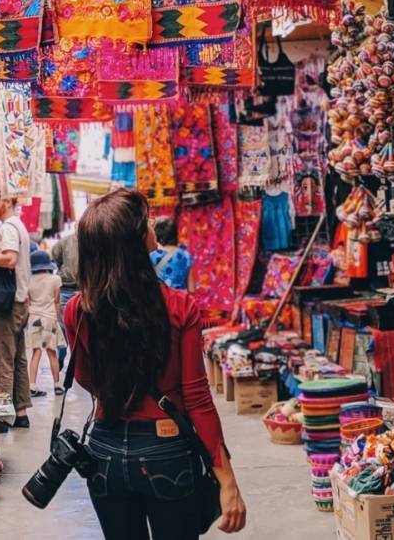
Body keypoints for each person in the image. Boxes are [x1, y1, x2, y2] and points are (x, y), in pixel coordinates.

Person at [64, 189, 246, 539]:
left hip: (104, 451)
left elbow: (86, 378)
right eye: (144, 219)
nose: (152, 223)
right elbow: (197, 399)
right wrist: (227, 481)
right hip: (166, 451)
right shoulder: (179, 306)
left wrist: (122, 390)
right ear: (132, 243)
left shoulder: (78, 309)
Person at [0, 196, 33, 428]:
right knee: (18, 357)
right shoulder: (18, 226)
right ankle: (20, 411)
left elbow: (9, 259)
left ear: (8, 202)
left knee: (1, 358)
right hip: (19, 302)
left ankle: (1, 416)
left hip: (7, 304)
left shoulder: (8, 228)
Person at [27, 249, 63, 397]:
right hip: (49, 318)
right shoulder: (55, 279)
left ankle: (32, 386)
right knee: (52, 353)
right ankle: (57, 385)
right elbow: (57, 301)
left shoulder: (28, 280)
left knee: (36, 352)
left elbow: (27, 301)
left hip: (34, 318)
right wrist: (57, 319)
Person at [51, 231, 78, 368]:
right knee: (62, 328)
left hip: (82, 289)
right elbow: (54, 256)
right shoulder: (65, 241)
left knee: (79, 328)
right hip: (66, 288)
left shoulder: (91, 240)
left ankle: (77, 363)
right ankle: (60, 357)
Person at [150, 216, 195, 293]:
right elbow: (191, 289)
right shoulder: (185, 255)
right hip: (179, 302)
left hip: (159, 302)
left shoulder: (152, 255)